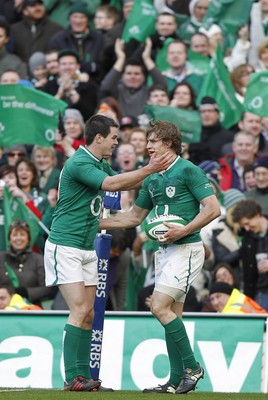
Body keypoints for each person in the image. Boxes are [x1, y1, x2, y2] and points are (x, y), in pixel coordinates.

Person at [43, 114, 174, 392]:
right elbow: (113, 185)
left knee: (89, 313)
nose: (117, 142)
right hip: (64, 245)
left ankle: (82, 378)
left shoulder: (99, 163)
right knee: (79, 309)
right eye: (114, 137)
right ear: (99, 137)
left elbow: (124, 183)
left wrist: (152, 186)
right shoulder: (79, 162)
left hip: (85, 245)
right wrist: (150, 168)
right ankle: (72, 378)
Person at [99, 120, 221, 394]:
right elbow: (133, 217)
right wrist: (95, 223)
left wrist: (185, 230)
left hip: (187, 248)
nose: (149, 145)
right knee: (171, 314)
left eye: (153, 141)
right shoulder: (152, 178)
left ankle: (192, 367)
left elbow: (213, 209)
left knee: (158, 307)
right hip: (164, 252)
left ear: (168, 142)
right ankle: (174, 382)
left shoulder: (189, 171)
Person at [232, 199, 268, 315]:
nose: (247, 228)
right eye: (244, 226)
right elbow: (248, 274)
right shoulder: (247, 240)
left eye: (248, 223)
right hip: (258, 295)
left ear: (257, 215)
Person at [0, 220, 54, 306]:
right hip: (4, 310)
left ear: (28, 239)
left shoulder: (38, 259)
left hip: (31, 309)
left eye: (22, 234)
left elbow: (48, 288)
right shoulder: (1, 258)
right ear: (9, 238)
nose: (18, 238)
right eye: (15, 235)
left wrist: (26, 292)